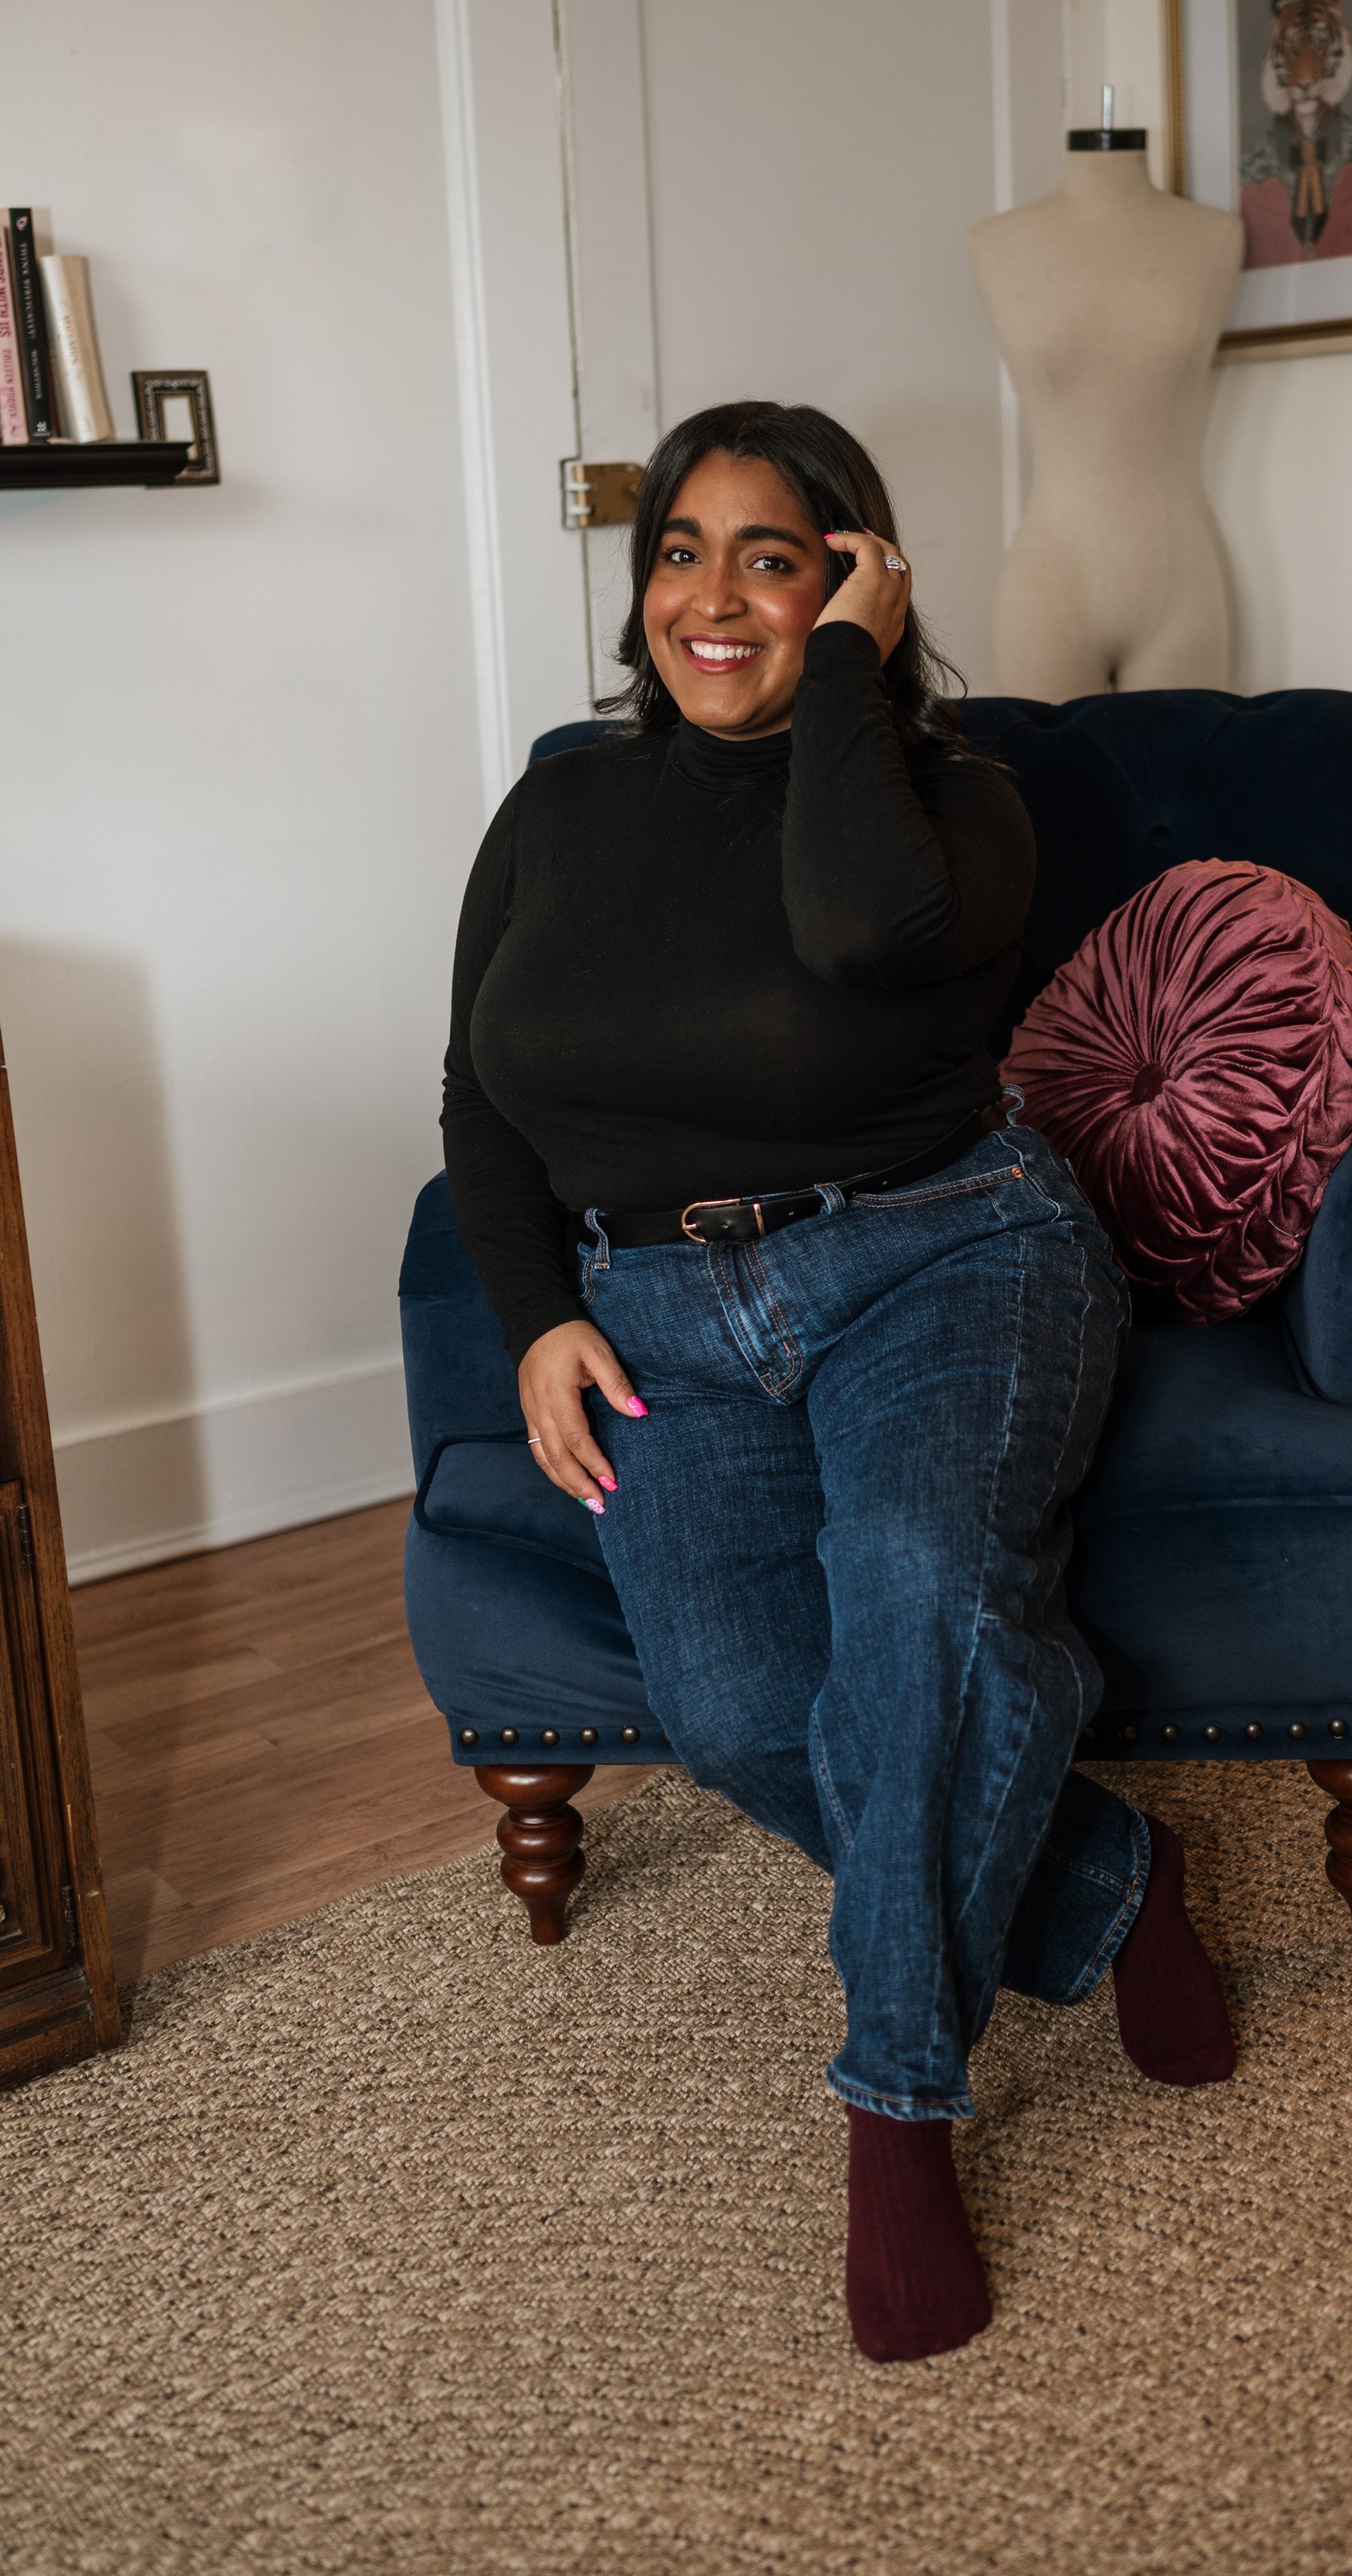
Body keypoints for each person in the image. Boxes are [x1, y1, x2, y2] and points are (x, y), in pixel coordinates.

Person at [441, 400, 1234, 2365]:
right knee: (722, 1705)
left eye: (775, 558)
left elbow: (850, 924)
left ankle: (897, 2106)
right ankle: (1110, 1876)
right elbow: (479, 1093)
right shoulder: (551, 811)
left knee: (918, 1594)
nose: (713, 596)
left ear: (856, 581)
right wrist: (537, 1308)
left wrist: (853, 678)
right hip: (658, 1319)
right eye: (681, 551)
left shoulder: (952, 808)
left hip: (944, 1256)